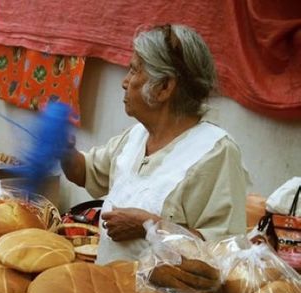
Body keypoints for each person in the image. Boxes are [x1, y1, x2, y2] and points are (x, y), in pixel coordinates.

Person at [61, 24, 248, 265]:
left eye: (134, 70)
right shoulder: (136, 136)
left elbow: (225, 253)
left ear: (164, 87)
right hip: (111, 290)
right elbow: (85, 171)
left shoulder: (215, 153)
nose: (125, 82)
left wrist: (149, 226)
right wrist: (63, 149)